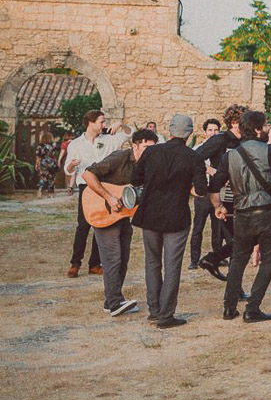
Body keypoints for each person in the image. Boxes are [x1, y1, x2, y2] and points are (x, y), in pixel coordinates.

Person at [209, 110, 271, 323]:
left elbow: (214, 186)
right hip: (265, 213)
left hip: (241, 213)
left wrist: (218, 207)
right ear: (258, 129)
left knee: (238, 260)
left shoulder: (229, 155)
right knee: (269, 259)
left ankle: (228, 307)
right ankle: (252, 308)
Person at [126, 116, 209, 326]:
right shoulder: (193, 157)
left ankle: (154, 309)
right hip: (176, 216)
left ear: (170, 131)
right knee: (172, 266)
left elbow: (135, 179)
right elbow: (201, 190)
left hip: (150, 214)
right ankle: (166, 314)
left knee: (152, 262)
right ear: (189, 133)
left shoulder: (152, 151)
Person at [83, 128, 160, 320]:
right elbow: (88, 175)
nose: (150, 152)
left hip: (123, 215)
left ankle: (111, 301)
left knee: (123, 259)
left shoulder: (150, 164)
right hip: (103, 210)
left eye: (153, 148)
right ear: (135, 146)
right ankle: (115, 302)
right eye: (146, 147)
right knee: (112, 259)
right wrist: (109, 197)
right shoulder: (120, 157)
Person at [193, 104, 248, 281]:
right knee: (237, 240)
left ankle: (215, 261)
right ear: (234, 122)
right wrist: (212, 171)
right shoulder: (221, 139)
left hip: (242, 195)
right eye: (244, 122)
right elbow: (194, 157)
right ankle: (231, 284)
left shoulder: (246, 141)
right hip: (224, 197)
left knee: (241, 240)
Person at [63, 109, 108, 277]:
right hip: (85, 187)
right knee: (83, 225)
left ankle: (95, 264)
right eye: (101, 122)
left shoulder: (107, 140)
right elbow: (67, 169)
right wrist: (72, 165)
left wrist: (120, 126)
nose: (104, 125)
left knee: (100, 225)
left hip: (103, 186)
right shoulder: (75, 144)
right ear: (91, 122)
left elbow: (128, 134)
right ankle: (75, 263)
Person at [188, 118, 225, 268]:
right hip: (203, 194)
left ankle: (217, 257)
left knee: (218, 228)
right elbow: (192, 160)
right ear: (205, 132)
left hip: (216, 193)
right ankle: (194, 260)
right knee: (198, 227)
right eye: (210, 130)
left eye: (216, 130)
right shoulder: (199, 148)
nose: (213, 133)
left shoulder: (222, 149)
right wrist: (208, 169)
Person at [33, 129, 59, 197]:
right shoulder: (54, 145)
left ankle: (40, 191)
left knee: (42, 178)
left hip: (43, 163)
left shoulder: (40, 146)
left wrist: (36, 164)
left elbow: (38, 156)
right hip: (52, 163)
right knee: (52, 178)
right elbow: (59, 151)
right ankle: (51, 194)